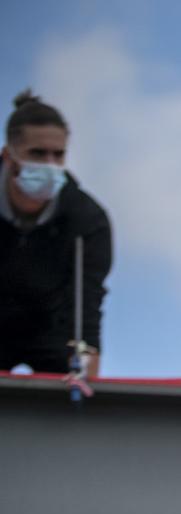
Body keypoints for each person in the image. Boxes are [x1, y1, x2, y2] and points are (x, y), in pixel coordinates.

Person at [1, 90, 111, 377]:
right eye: (37, 154)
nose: (49, 164)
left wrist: (86, 382)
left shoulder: (88, 220)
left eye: (58, 154)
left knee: (76, 392)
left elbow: (88, 306)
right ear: (8, 156)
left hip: (52, 328)